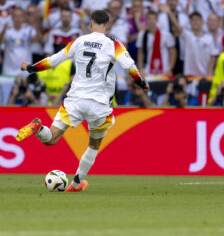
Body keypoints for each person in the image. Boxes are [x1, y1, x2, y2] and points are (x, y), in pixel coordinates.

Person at [15, 10, 149, 192]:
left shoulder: (79, 41)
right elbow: (128, 66)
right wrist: (141, 82)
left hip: (75, 99)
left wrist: (30, 67)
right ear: (107, 25)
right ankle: (76, 185)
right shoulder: (114, 43)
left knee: (51, 139)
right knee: (94, 144)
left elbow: (53, 60)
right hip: (99, 104)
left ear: (90, 25)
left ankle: (39, 128)